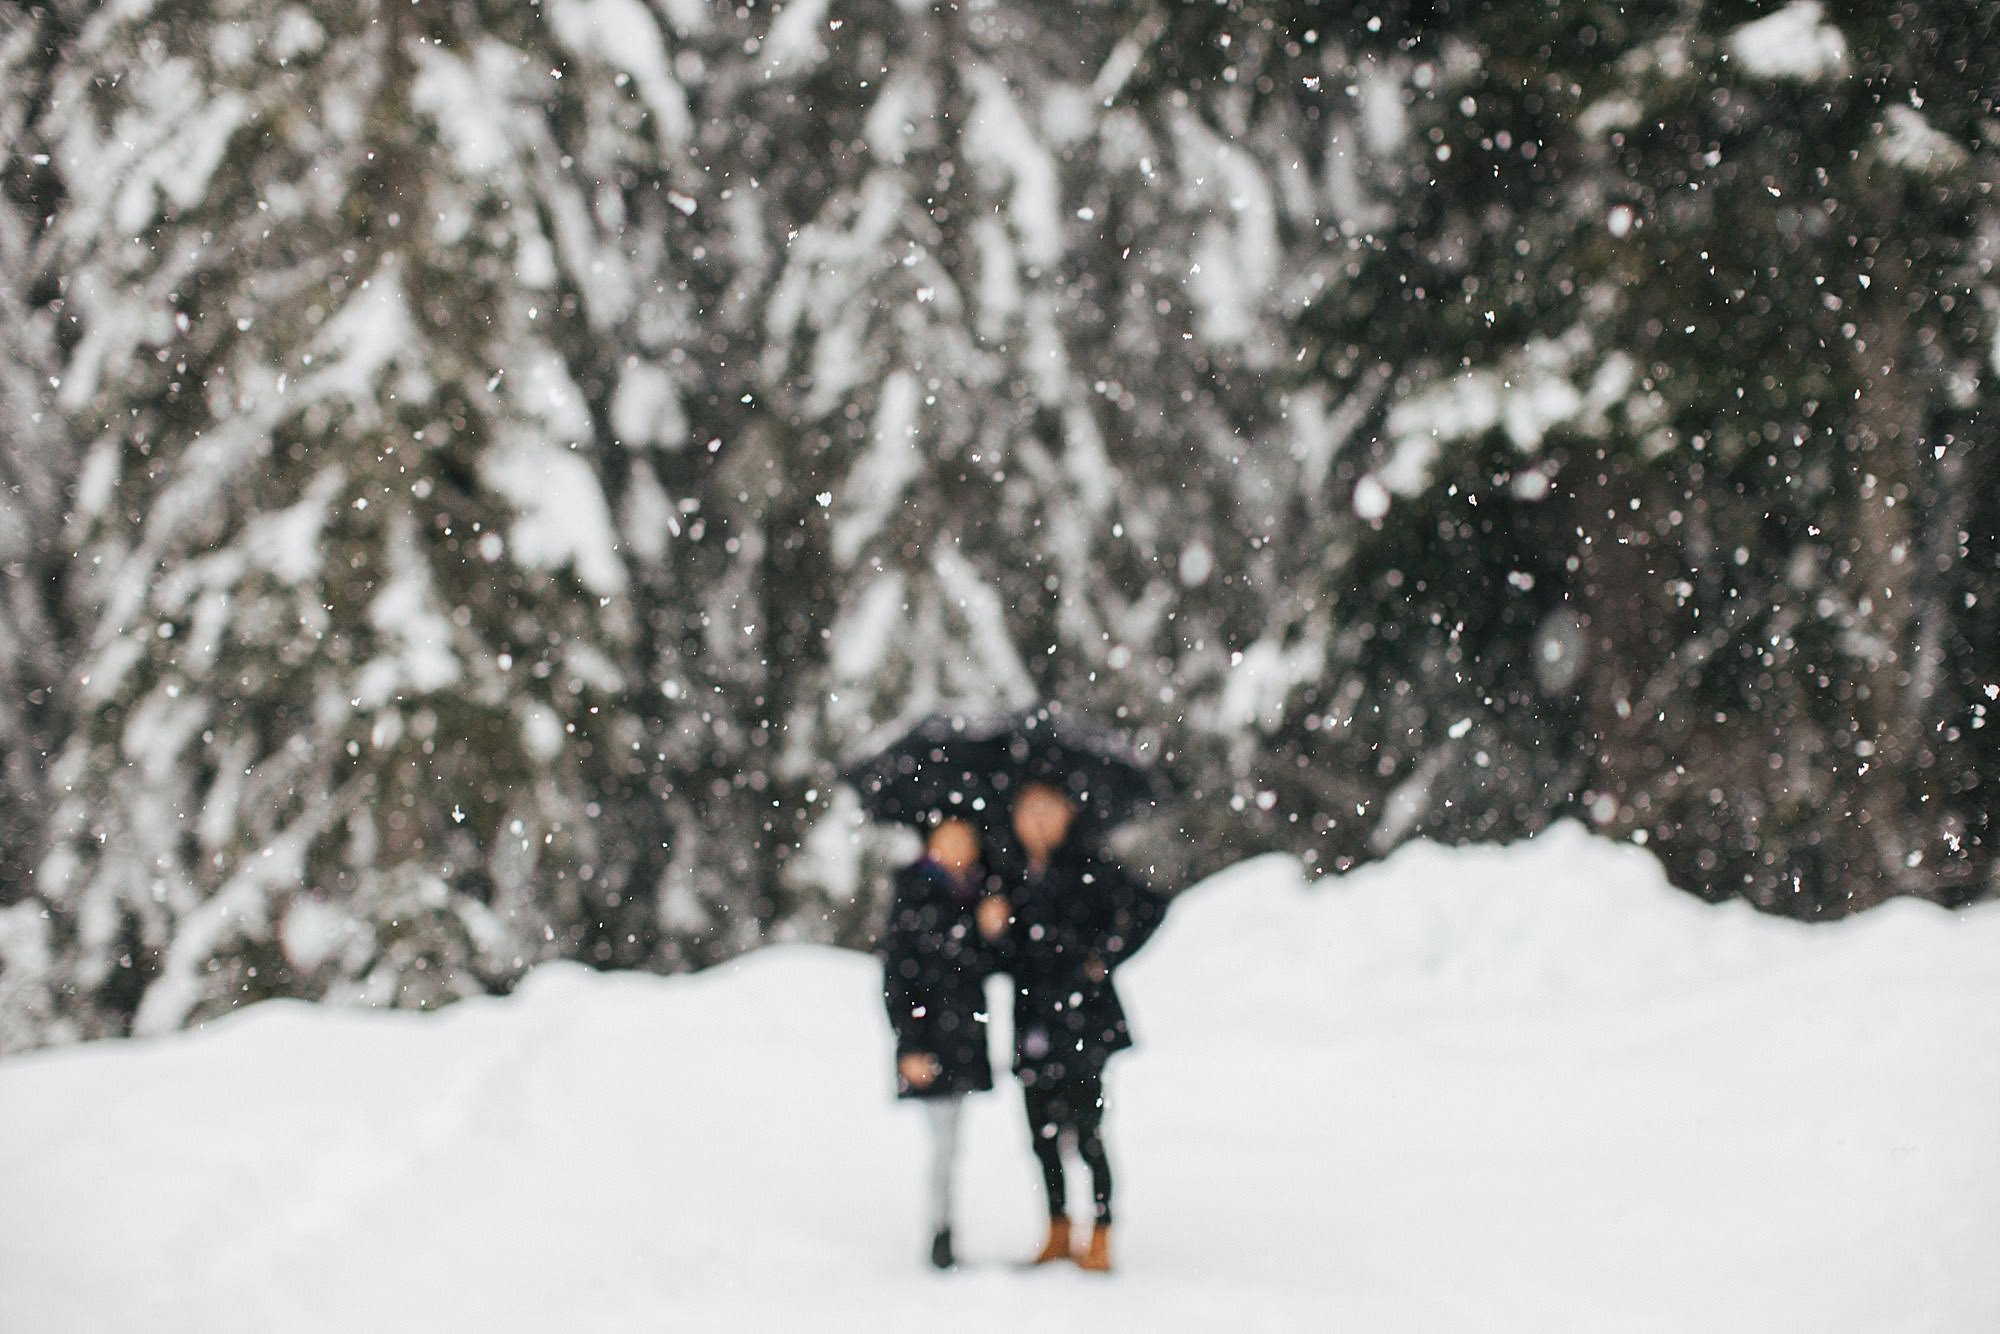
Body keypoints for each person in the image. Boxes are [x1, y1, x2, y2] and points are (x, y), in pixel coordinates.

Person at [997, 781, 1167, 1274]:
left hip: (1083, 1020)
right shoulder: (1009, 874)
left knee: (1088, 1132)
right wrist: (994, 926)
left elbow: (1149, 907)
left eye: (1047, 810)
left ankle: (1102, 1232)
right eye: (1027, 811)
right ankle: (1056, 1229)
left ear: (1069, 813)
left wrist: (1105, 957)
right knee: (1041, 1134)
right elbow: (1004, 958)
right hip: (1032, 1020)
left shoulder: (1091, 864)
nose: (1037, 821)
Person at [880, 814, 1008, 1270]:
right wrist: (910, 1045)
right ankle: (941, 1232)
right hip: (929, 1034)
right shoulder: (913, 892)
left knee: (954, 1141)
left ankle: (945, 1228)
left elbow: (990, 966)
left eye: (965, 839)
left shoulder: (981, 893)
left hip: (965, 1035)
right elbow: (898, 974)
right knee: (943, 1143)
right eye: (947, 838)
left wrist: (993, 930)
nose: (956, 847)